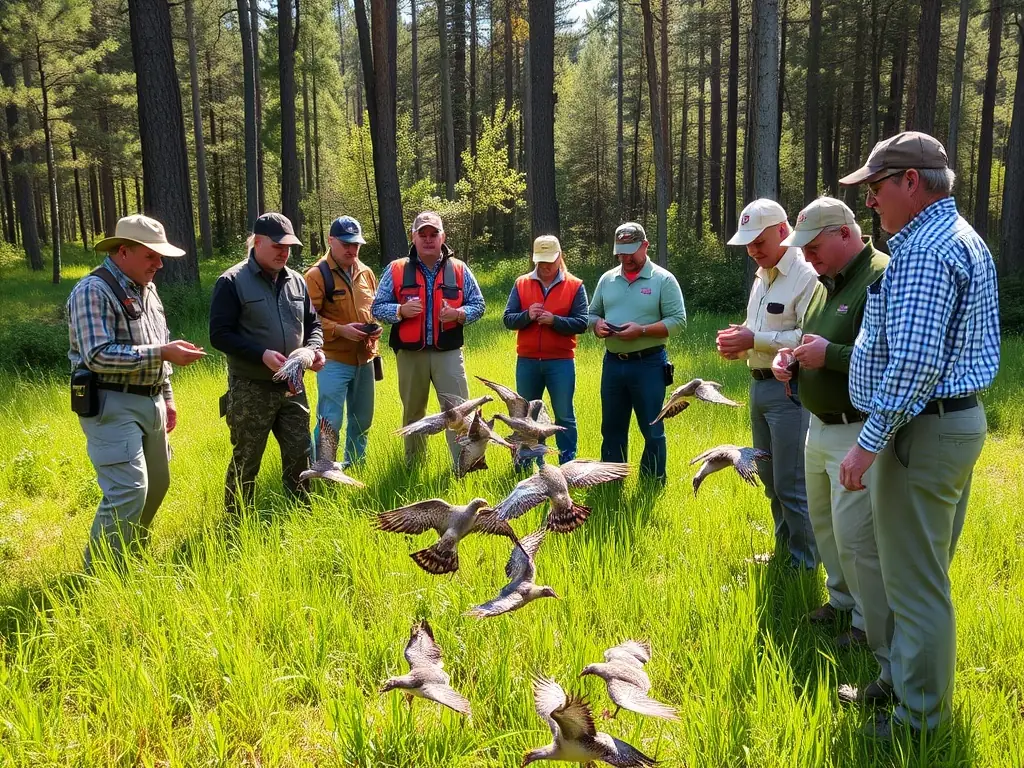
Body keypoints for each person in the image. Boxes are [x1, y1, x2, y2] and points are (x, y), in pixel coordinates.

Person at [837, 131, 1000, 738]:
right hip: (937, 426)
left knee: (917, 583)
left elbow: (916, 362)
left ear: (911, 182)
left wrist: (869, 439)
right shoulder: (950, 239)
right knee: (913, 570)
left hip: (920, 431)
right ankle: (903, 680)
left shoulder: (927, 251)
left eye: (877, 187)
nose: (871, 201)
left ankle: (918, 719)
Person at [770, 197, 889, 660]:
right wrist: (792, 359)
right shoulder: (824, 282)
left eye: (814, 245)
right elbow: (809, 337)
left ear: (844, 233)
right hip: (817, 423)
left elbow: (888, 359)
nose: (808, 256)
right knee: (826, 524)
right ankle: (841, 602)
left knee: (856, 533)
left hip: (856, 427)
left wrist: (830, 357)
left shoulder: (880, 274)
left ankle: (866, 623)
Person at [67, 214, 206, 571]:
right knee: (129, 489)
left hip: (152, 399)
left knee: (157, 483)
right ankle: (100, 574)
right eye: (151, 256)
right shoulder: (92, 290)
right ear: (123, 251)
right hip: (111, 402)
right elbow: (97, 355)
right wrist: (162, 353)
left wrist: (168, 394)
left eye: (160, 257)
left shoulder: (147, 288)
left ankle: (131, 553)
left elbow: (159, 341)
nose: (159, 264)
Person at [718, 199, 820, 569]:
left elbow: (810, 335)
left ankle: (805, 561)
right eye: (747, 243)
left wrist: (753, 340)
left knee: (792, 482)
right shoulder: (763, 277)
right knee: (768, 474)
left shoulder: (807, 274)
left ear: (783, 231)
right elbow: (758, 330)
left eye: (759, 242)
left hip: (791, 390)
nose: (752, 251)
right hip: (759, 386)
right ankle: (785, 551)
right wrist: (739, 345)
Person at [209, 212, 325, 515]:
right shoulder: (231, 281)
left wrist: (313, 350)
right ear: (257, 242)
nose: (284, 252)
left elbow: (314, 324)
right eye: (277, 246)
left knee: (301, 454)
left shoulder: (297, 281)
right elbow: (219, 335)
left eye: (288, 247)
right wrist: (260, 354)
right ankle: (236, 523)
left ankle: (301, 513)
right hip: (251, 388)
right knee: (247, 458)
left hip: (293, 386)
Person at [371, 211, 486, 465]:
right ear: (413, 238)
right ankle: (414, 466)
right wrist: (399, 311)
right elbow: (376, 307)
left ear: (442, 236)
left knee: (459, 412)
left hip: (448, 353)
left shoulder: (459, 269)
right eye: (422, 234)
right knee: (414, 414)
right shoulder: (396, 269)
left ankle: (464, 465)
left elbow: (479, 304)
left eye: (433, 234)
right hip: (411, 355)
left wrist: (458, 314)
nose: (428, 239)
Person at [588, 222, 687, 484]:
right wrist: (596, 326)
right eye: (621, 252)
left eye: (631, 251)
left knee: (652, 429)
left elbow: (678, 321)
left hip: (649, 364)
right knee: (611, 428)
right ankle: (611, 480)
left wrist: (641, 331)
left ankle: (652, 482)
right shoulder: (607, 279)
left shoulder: (663, 280)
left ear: (645, 246)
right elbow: (592, 312)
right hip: (613, 364)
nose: (626, 257)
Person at [502, 235, 589, 466]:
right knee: (525, 416)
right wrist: (527, 316)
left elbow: (582, 322)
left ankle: (567, 463)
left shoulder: (574, 285)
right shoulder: (521, 283)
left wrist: (555, 321)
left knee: (563, 415)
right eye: (541, 261)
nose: (546, 266)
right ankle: (524, 462)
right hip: (527, 361)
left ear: (560, 257)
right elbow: (508, 319)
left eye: (550, 261)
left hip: (560, 361)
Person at [304, 216, 381, 467]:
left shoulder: (366, 272)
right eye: (346, 243)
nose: (351, 249)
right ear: (331, 241)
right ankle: (323, 469)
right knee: (330, 421)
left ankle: (355, 468)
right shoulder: (316, 276)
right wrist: (339, 330)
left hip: (365, 359)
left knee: (362, 420)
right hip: (333, 360)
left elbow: (375, 309)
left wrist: (375, 328)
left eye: (356, 244)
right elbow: (307, 320)